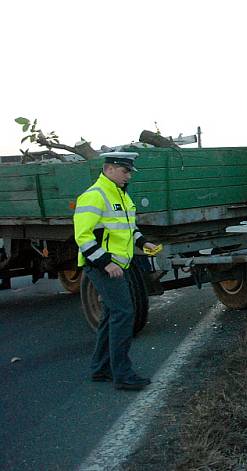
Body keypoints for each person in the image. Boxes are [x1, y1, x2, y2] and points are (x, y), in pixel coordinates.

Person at [73, 152, 157, 390]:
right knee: (123, 314)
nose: (128, 176)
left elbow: (129, 228)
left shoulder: (120, 194)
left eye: (129, 171)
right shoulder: (94, 196)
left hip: (118, 266)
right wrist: (105, 263)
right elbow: (83, 236)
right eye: (124, 171)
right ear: (109, 169)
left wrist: (143, 243)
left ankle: (100, 369)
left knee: (112, 314)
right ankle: (122, 374)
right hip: (103, 267)